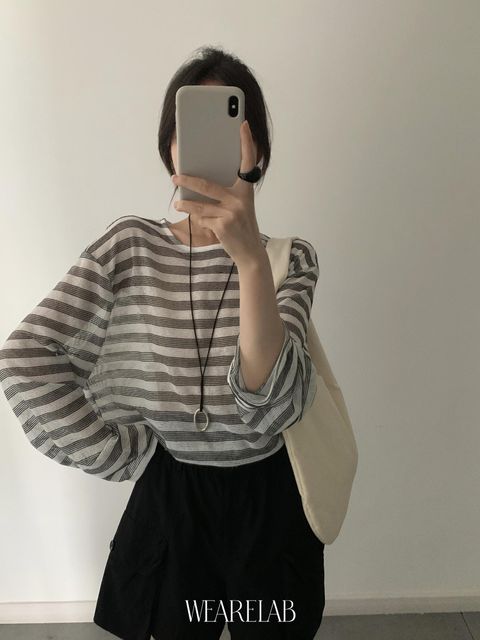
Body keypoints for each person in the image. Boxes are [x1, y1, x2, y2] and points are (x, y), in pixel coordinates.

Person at [0, 45, 324, 639]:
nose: (205, 146)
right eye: (189, 129)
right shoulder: (130, 246)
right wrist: (116, 451)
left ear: (256, 151)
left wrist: (250, 261)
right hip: (172, 502)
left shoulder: (290, 260)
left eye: (230, 126)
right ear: (169, 147)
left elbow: (275, 408)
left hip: (269, 504)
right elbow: (26, 358)